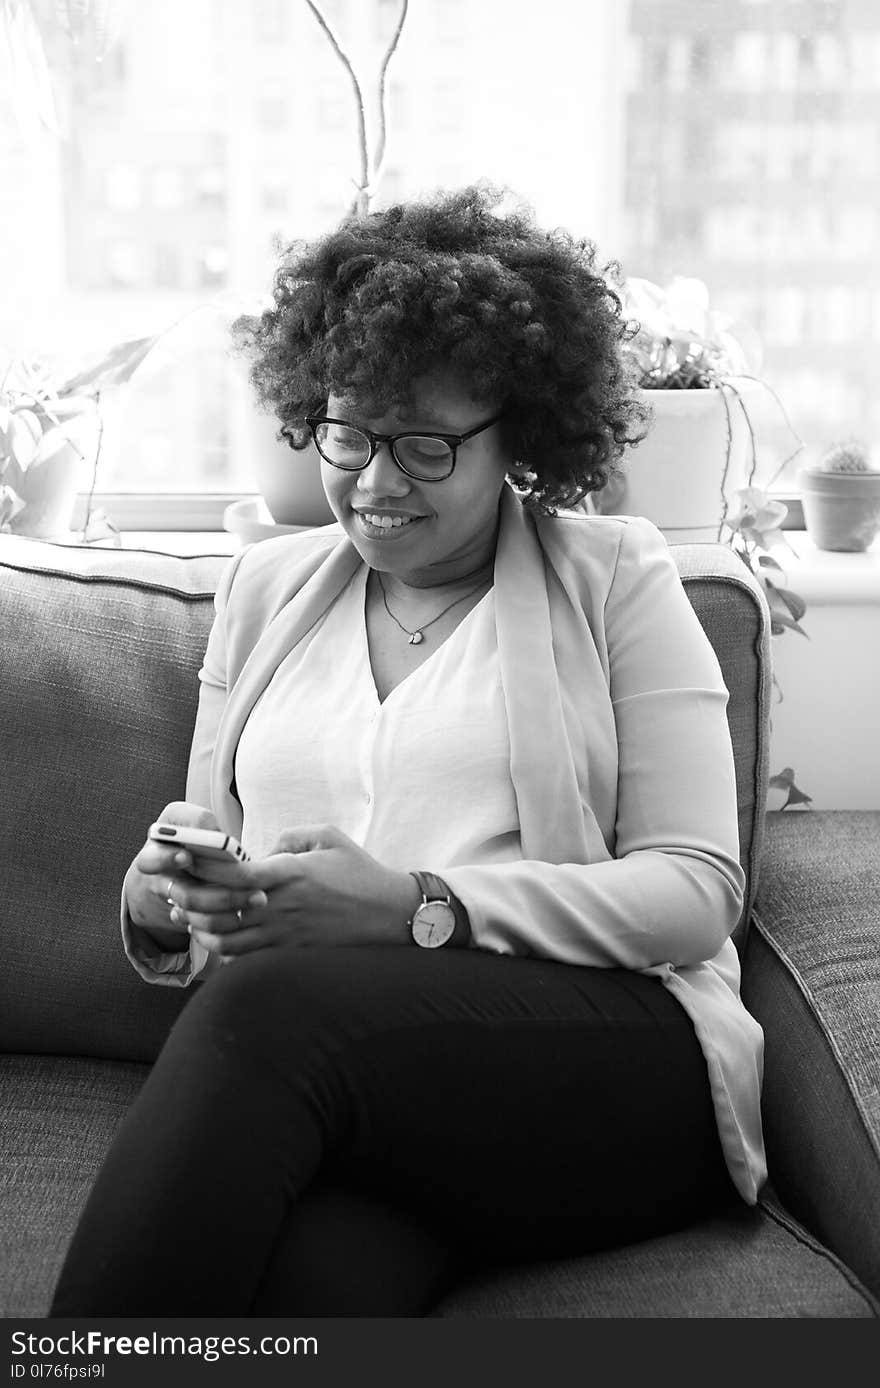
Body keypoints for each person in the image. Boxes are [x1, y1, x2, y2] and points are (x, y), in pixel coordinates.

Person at [51, 184, 766, 1317]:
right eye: (349, 433)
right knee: (320, 1278)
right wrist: (167, 897)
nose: (375, 484)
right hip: (370, 1088)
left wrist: (414, 907)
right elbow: (227, 869)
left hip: (604, 1055)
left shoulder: (616, 576)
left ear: (517, 436)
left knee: (265, 1009)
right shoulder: (266, 588)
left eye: (426, 445)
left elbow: (694, 892)